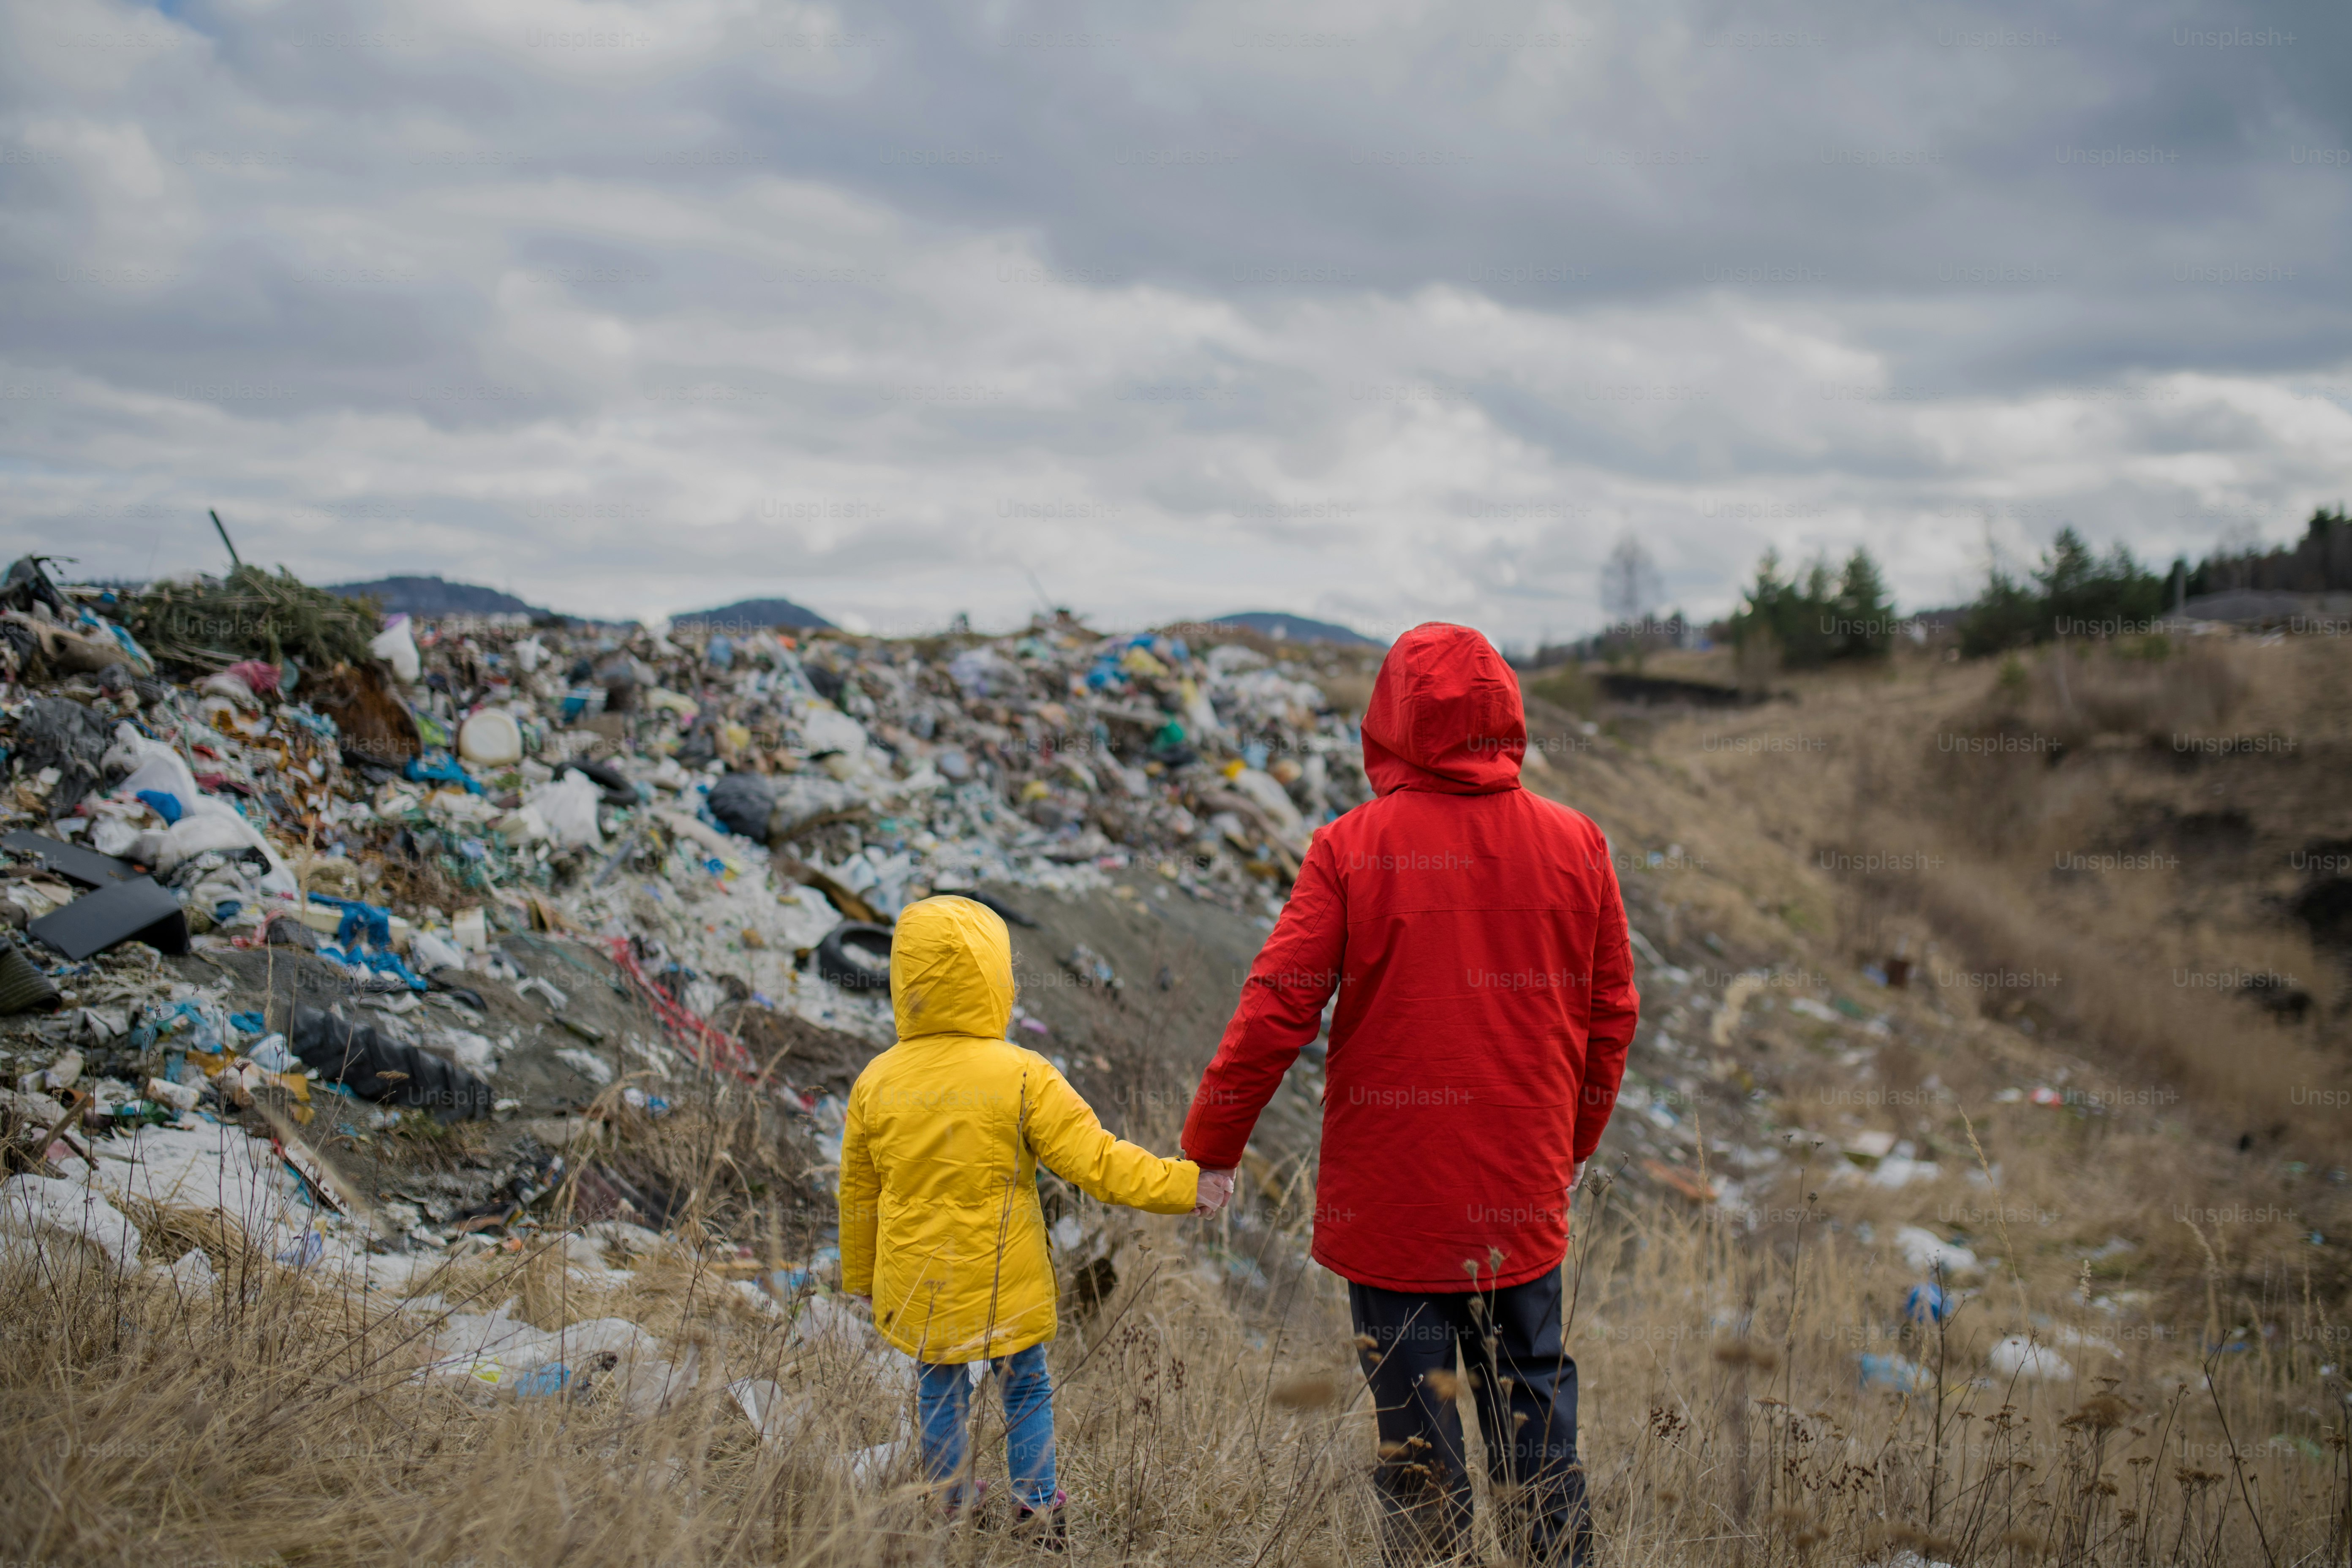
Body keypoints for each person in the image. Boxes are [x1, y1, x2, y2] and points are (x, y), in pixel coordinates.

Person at [1182, 623, 1639, 1565]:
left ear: (1388, 721)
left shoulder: (1351, 847)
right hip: (1522, 1193)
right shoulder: (1576, 842)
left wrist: (1213, 1142)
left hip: (1391, 1207)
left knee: (1417, 1438)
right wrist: (1575, 1141)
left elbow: (1276, 1008)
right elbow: (1612, 1015)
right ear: (1505, 713)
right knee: (1538, 1417)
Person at [839, 894, 1204, 1549]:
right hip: (1005, 1280)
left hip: (919, 1281)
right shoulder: (1022, 1074)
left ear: (905, 980)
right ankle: (1037, 1515)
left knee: (939, 1389)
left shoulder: (877, 1080)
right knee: (1026, 1385)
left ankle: (946, 1507)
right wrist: (1185, 1185)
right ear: (994, 978)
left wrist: (861, 1274)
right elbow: (1096, 1162)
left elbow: (859, 1194)